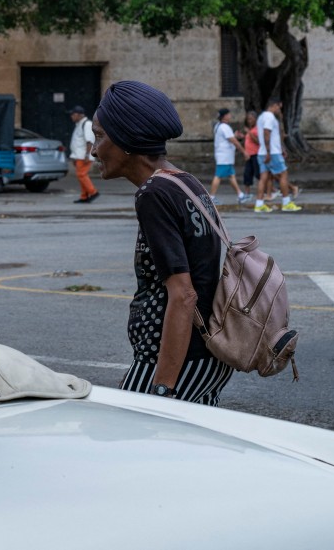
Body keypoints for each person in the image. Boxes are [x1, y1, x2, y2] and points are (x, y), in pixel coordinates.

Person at [90, 79, 234, 406]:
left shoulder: (153, 195)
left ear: (126, 139)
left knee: (135, 444)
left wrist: (162, 387)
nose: (94, 149)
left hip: (173, 359)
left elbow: (183, 295)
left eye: (99, 136)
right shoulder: (185, 182)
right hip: (209, 355)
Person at [254, 98, 301, 213]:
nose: (279, 110)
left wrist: (282, 148)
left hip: (263, 152)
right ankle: (286, 202)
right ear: (274, 105)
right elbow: (267, 133)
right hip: (272, 152)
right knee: (283, 175)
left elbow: (276, 133)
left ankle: (259, 204)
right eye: (279, 107)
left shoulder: (261, 117)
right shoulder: (269, 117)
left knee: (263, 177)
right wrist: (269, 152)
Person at [208, 108, 246, 204]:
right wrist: (244, 152)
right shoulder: (225, 127)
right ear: (224, 116)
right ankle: (211, 197)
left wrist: (234, 136)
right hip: (224, 157)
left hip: (225, 156)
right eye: (228, 114)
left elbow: (229, 138)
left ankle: (240, 195)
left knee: (231, 176)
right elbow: (233, 141)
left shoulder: (218, 126)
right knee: (218, 176)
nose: (230, 116)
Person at [69, 105, 99, 203]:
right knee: (81, 175)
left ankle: (93, 192)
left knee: (81, 174)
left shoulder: (86, 124)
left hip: (83, 156)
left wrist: (87, 155)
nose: (71, 117)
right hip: (79, 156)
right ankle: (84, 196)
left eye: (73, 115)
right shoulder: (79, 124)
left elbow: (89, 141)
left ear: (78, 115)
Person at [241, 110, 260, 201]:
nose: (249, 121)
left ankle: (263, 192)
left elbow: (257, 142)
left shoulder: (256, 129)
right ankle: (247, 193)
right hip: (249, 155)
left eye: (251, 119)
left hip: (256, 154)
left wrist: (249, 133)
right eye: (248, 119)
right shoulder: (251, 129)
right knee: (247, 174)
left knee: (258, 174)